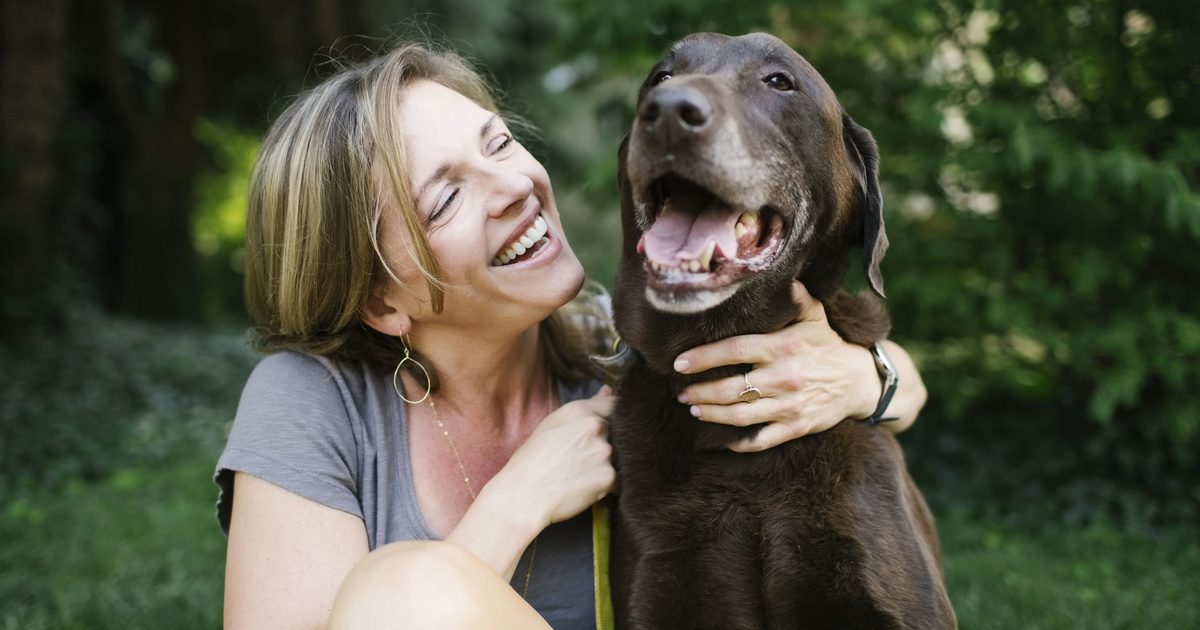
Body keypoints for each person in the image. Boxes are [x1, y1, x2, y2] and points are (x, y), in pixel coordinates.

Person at [215, 43, 928, 630]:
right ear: (381, 301)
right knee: (408, 588)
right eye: (446, 198)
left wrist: (870, 376)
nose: (511, 186)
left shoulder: (624, 361)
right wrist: (517, 501)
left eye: (499, 143)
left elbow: (888, 386)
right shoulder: (311, 402)